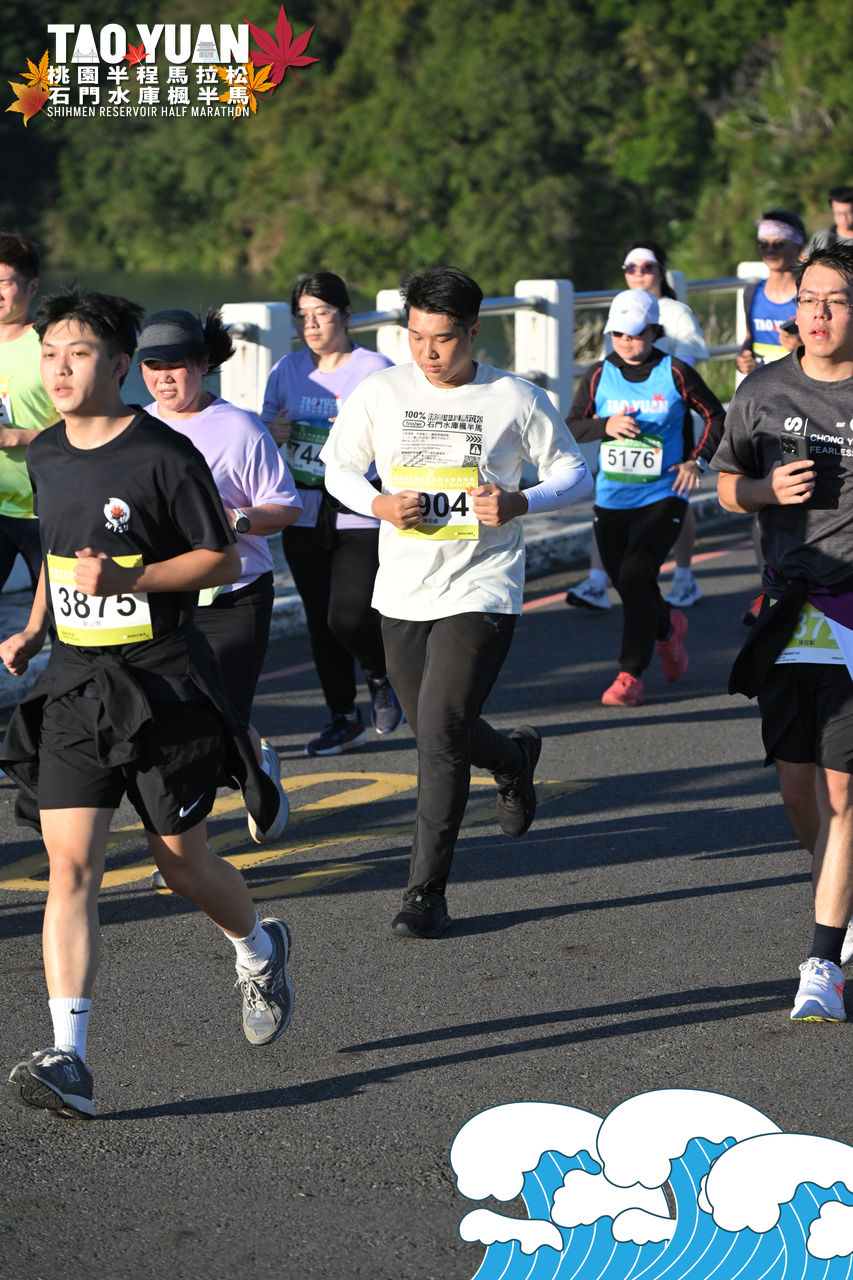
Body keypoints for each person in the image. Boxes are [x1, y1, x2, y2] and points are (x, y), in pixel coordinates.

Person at [0, 290, 293, 1119]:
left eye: (79, 353)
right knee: (70, 868)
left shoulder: (165, 454)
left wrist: (130, 577)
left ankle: (257, 948)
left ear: (120, 364)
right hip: (75, 684)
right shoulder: (47, 452)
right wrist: (35, 627)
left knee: (181, 865)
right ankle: (69, 1057)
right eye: (50, 353)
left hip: (163, 680)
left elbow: (222, 558)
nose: (60, 368)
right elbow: (61, 555)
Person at [321, 266, 592, 938]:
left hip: (482, 581)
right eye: (416, 337)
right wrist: (380, 505)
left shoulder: (514, 397)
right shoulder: (381, 392)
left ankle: (425, 894)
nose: (427, 352)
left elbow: (574, 472)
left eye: (441, 339)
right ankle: (511, 760)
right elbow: (338, 471)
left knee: (440, 734)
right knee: (435, 728)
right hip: (403, 587)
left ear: (473, 331)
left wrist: (520, 500)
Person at [713, 242, 853, 1022]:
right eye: (808, 299)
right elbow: (726, 487)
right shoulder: (762, 391)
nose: (818, 313)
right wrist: (764, 489)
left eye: (834, 299)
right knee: (798, 791)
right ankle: (840, 892)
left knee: (841, 790)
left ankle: (821, 965)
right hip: (787, 612)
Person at [138, 308, 301, 844]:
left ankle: (255, 764)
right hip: (167, 599)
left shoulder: (239, 428)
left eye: (176, 365)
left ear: (203, 364)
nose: (164, 377)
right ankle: (191, 852)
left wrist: (234, 520)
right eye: (153, 366)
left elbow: (286, 506)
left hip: (235, 596)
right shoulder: (137, 429)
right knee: (177, 725)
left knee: (218, 719)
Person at [262, 272, 403, 756]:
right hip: (304, 510)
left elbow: (400, 436)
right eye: (303, 316)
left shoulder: (375, 369)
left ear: (345, 314)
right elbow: (263, 431)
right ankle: (343, 719)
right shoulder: (286, 370)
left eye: (322, 313)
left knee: (350, 615)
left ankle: (382, 676)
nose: (312, 324)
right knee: (320, 621)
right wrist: (272, 432)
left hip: (360, 507)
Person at [566, 289, 725, 708]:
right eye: (617, 334)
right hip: (612, 497)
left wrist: (697, 462)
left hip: (663, 493)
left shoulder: (675, 372)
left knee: (637, 573)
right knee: (626, 582)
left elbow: (715, 415)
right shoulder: (599, 374)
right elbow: (572, 425)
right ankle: (668, 628)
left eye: (635, 334)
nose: (625, 342)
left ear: (654, 332)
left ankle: (630, 675)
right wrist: (605, 425)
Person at [567, 241, 709, 614]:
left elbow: (686, 370)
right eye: (631, 268)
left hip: (666, 416)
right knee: (611, 491)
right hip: (622, 420)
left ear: (661, 271)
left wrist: (658, 391)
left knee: (675, 492)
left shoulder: (676, 313)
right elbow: (608, 370)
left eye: (647, 267)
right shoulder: (620, 309)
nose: (639, 274)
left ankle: (684, 576)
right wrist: (607, 420)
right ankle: (598, 580)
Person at [0, 232, 59, 592]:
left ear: (32, 286)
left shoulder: (51, 346)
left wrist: (18, 437)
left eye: (4, 283)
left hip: (47, 508)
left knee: (60, 618)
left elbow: (86, 429)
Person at [735, 209, 805, 375]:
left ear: (798, 247)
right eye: (763, 244)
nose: (770, 250)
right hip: (761, 385)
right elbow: (750, 338)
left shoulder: (810, 295)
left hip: (797, 385)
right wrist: (742, 358)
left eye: (779, 244)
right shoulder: (752, 293)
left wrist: (802, 350)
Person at [805, 185, 853, 255]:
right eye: (838, 213)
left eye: (849, 213)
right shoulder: (821, 237)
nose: (844, 218)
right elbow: (804, 259)